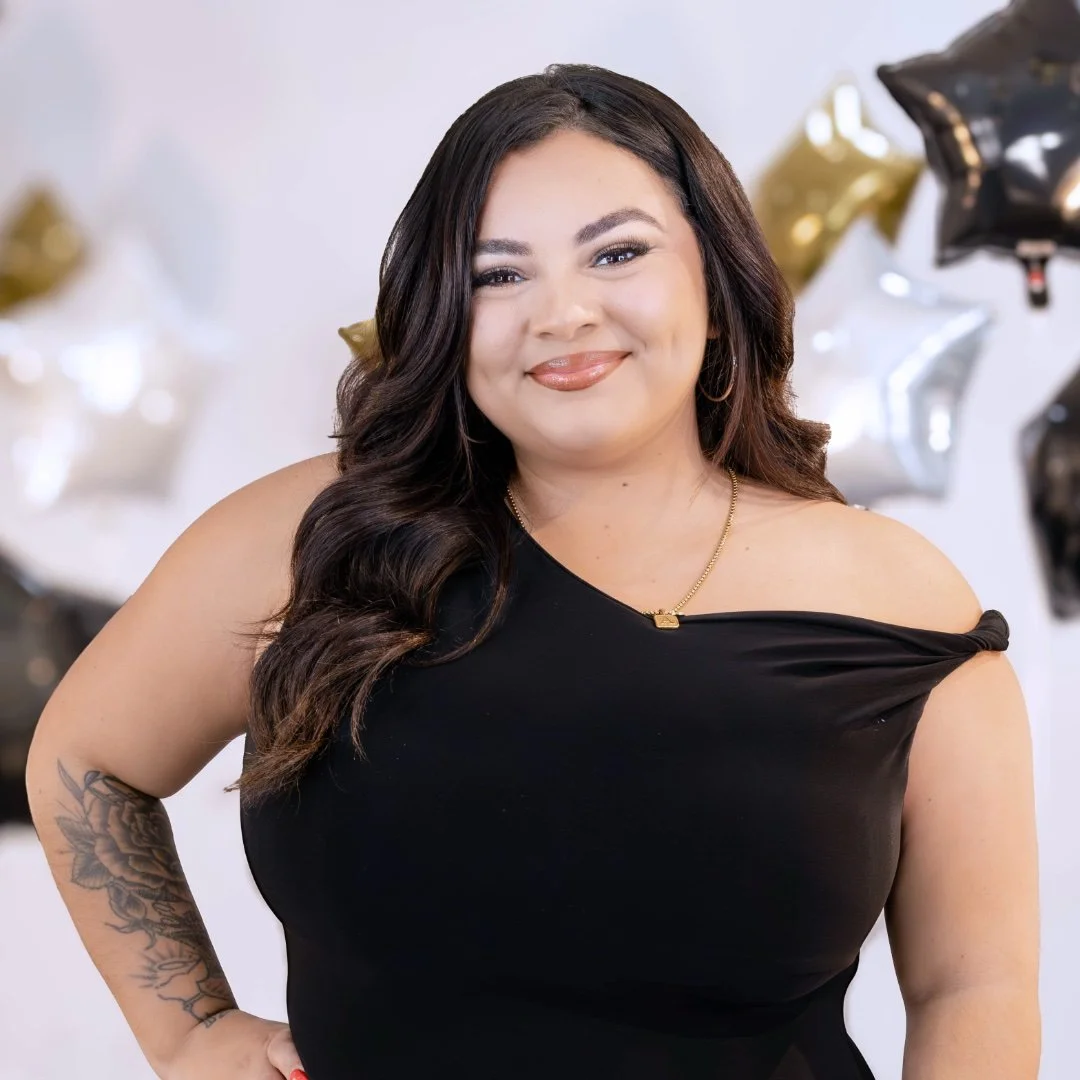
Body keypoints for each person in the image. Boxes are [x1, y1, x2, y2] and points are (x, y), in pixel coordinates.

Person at [25, 63, 1040, 1079]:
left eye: (618, 253)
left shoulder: (900, 604)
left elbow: (974, 985)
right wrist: (189, 1031)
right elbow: (87, 759)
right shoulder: (313, 535)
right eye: (497, 274)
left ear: (718, 282)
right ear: (443, 318)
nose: (562, 315)